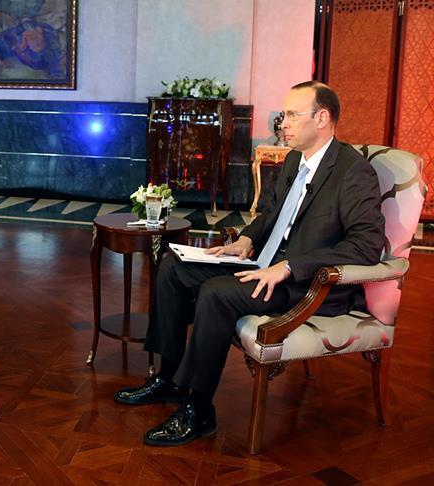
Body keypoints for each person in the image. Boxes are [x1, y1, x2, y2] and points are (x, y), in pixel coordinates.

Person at [114, 81, 385, 446]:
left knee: (216, 293)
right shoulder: (295, 160)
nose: (283, 123)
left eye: (292, 115)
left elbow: (366, 245)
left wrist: (289, 267)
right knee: (173, 268)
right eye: (284, 114)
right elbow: (273, 213)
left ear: (322, 118)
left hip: (307, 283)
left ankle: (199, 410)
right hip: (266, 264)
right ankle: (168, 379)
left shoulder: (353, 171)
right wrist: (246, 239)